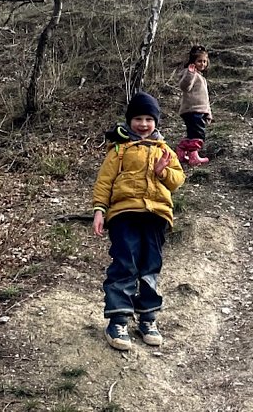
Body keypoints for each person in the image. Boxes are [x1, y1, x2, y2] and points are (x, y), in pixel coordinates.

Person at [93, 91, 186, 350]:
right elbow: (104, 182)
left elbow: (178, 181)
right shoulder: (119, 150)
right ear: (129, 121)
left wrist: (163, 171)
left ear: (156, 122)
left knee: (150, 265)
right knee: (125, 263)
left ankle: (148, 317)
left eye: (148, 119)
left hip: (156, 215)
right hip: (124, 213)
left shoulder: (164, 150)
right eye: (138, 119)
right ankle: (118, 319)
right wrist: (99, 210)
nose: (143, 124)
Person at [176, 44, 212, 166]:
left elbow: (205, 99)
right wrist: (190, 74)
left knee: (193, 134)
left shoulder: (202, 78)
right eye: (199, 61)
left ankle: (181, 150)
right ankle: (193, 157)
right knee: (198, 135)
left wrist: (208, 113)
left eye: (204, 61)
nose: (202, 64)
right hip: (191, 110)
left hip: (200, 110)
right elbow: (185, 87)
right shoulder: (189, 73)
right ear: (193, 61)